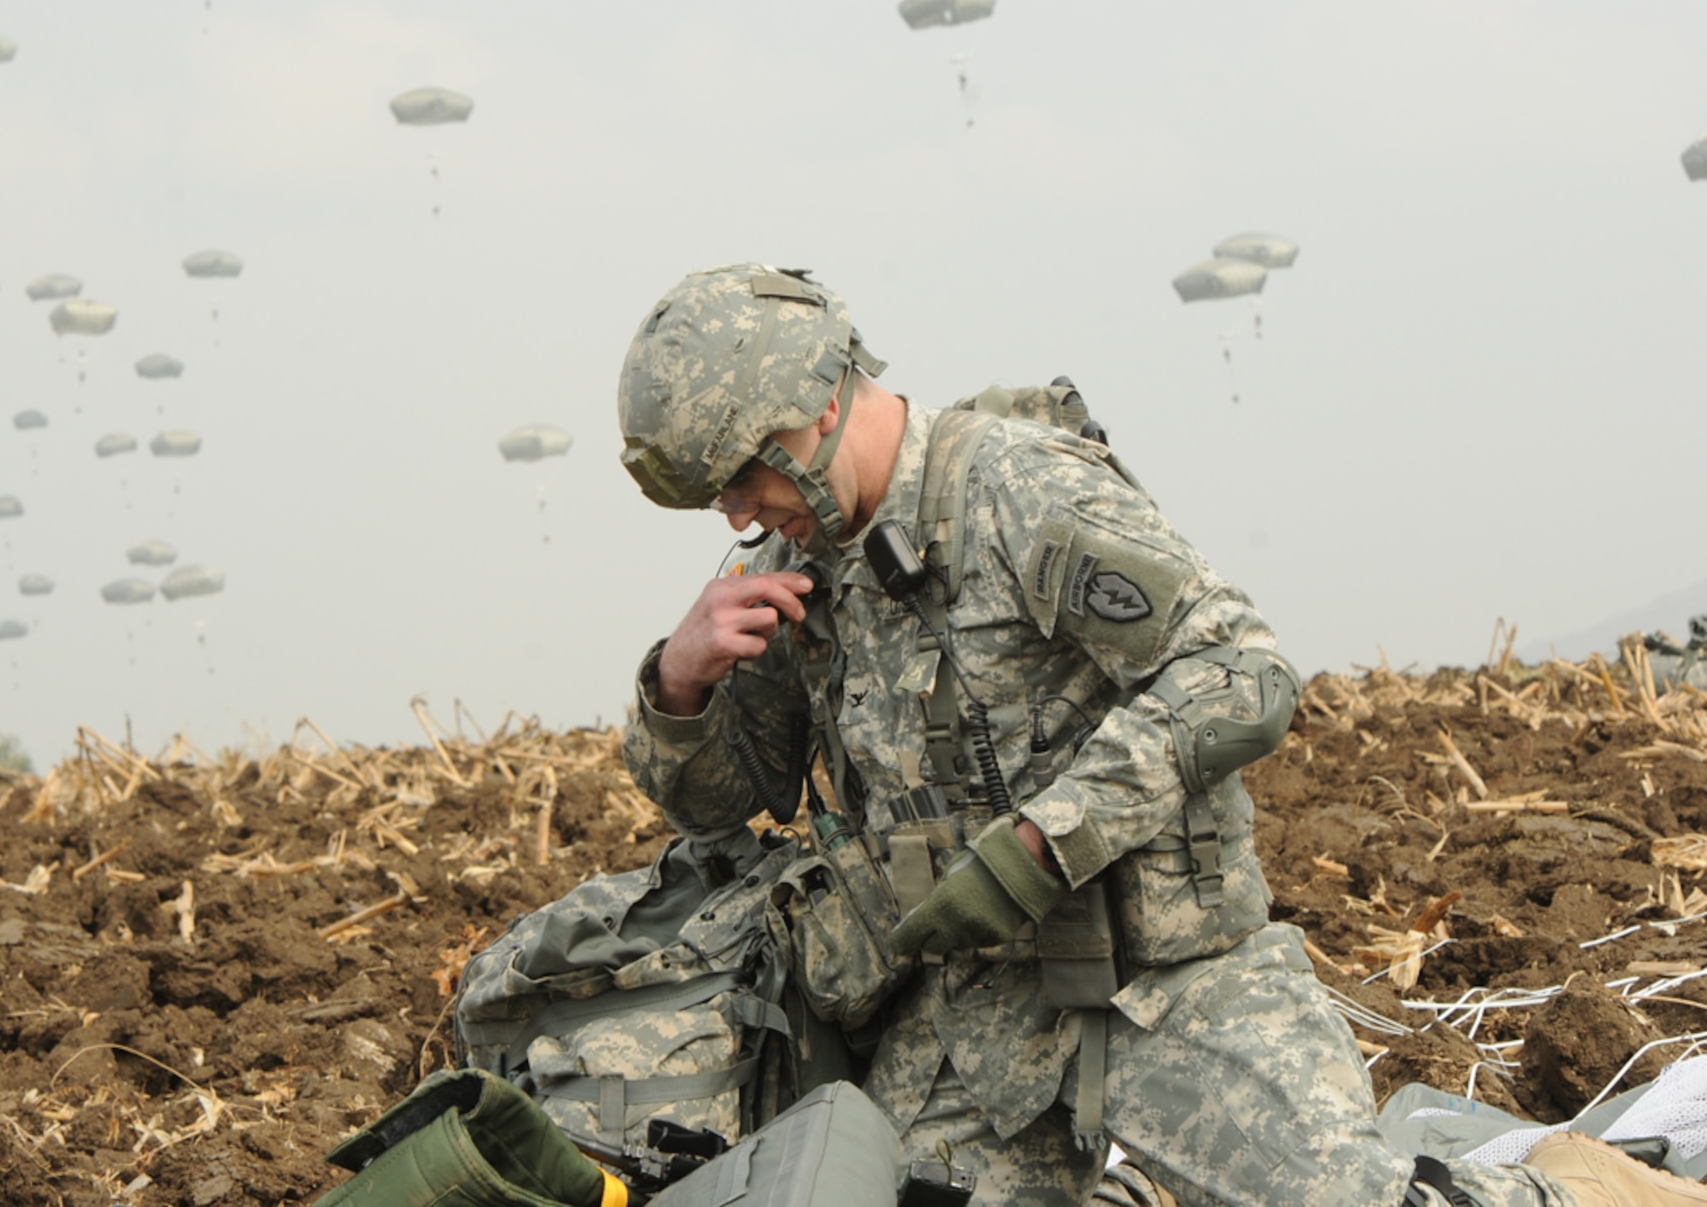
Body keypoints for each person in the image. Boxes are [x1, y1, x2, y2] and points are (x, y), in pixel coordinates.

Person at [614, 262, 1707, 1207]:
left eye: (746, 477)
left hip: (1164, 984)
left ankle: (1589, 1183)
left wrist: (1050, 839)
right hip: (965, 1027)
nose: (742, 516)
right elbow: (722, 796)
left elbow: (1237, 669)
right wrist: (680, 679)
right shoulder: (790, 572)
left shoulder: (1014, 487)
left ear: (809, 407)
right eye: (719, 497)